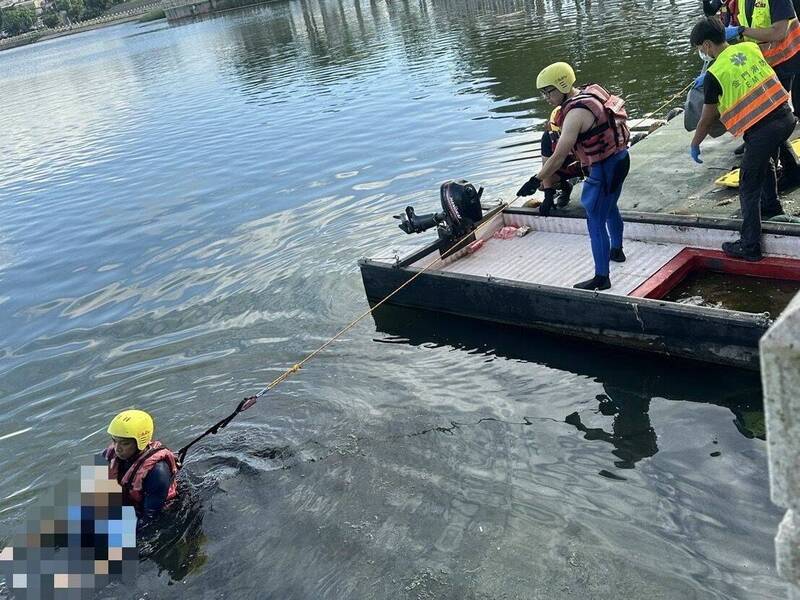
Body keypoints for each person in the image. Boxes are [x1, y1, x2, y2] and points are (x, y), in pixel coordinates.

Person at [517, 62, 631, 290]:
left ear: (563, 84)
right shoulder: (590, 93)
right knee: (610, 207)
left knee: (595, 220)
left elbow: (559, 155)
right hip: (620, 159)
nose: (546, 98)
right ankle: (616, 251)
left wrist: (536, 180)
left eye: (549, 91)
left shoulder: (575, 113)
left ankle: (602, 278)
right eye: (544, 93)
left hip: (604, 168)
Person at [690, 17, 795, 260]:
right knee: (762, 161)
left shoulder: (714, 74)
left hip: (763, 130)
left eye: (699, 48)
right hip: (786, 117)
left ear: (706, 45)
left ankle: (750, 246)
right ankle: (771, 207)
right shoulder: (749, 47)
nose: (700, 52)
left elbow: (707, 119)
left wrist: (695, 143)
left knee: (748, 184)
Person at [104, 409, 179, 525]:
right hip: (127, 504)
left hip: (157, 512)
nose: (117, 448)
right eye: (114, 441)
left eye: (125, 443)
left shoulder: (157, 472)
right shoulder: (109, 455)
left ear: (140, 442)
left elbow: (150, 518)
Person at [537, 105, 585, 215]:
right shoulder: (548, 137)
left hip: (585, 164)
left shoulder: (584, 130)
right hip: (565, 167)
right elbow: (546, 167)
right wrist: (548, 195)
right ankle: (566, 188)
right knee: (541, 184)